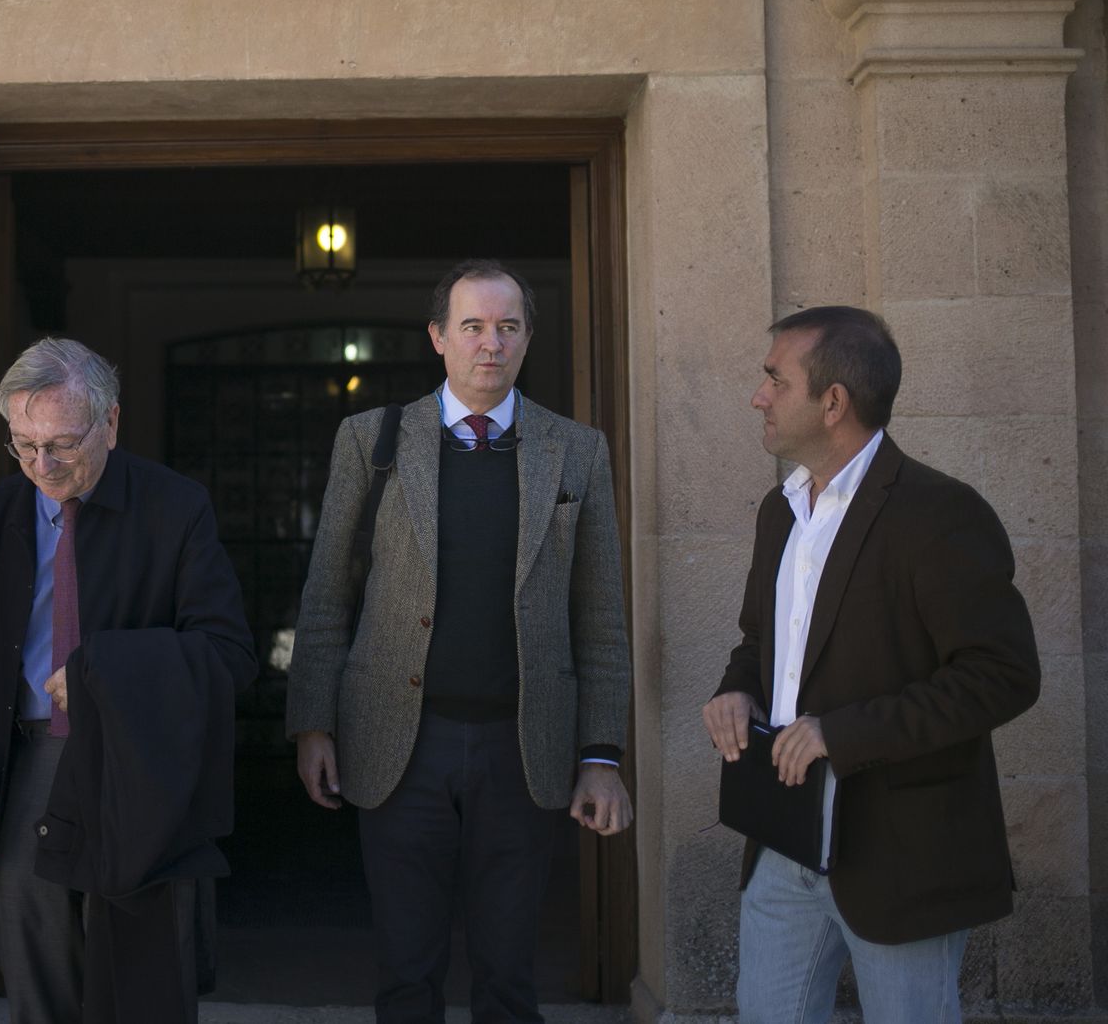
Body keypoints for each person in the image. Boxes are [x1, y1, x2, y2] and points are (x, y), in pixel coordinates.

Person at [286, 259, 634, 1022]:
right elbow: (327, 596)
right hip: (399, 743)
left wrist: (602, 755)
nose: (491, 344)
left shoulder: (577, 451)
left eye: (508, 327)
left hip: (522, 745)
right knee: (407, 972)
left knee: (510, 975)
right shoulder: (371, 441)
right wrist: (312, 723)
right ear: (439, 336)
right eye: (472, 326)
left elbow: (601, 618)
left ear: (528, 338)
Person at [702, 305, 1040, 1022]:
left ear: (833, 402)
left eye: (774, 379)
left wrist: (839, 733)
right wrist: (737, 692)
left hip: (903, 853)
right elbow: (761, 644)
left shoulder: (939, 513)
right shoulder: (779, 509)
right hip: (782, 843)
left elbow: (1002, 674)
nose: (759, 395)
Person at [0, 337, 256, 1024]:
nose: (41, 465)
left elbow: (229, 654)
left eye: (62, 443)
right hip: (26, 766)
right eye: (22, 445)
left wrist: (102, 677)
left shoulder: (176, 507)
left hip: (140, 769)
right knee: (31, 960)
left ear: (111, 422)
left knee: (143, 978)